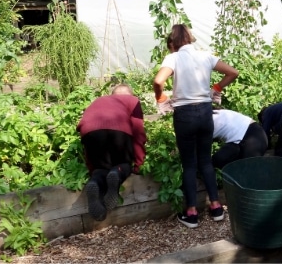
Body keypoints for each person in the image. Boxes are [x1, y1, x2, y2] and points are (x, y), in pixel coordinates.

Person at [153, 24, 239, 228]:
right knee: (206, 161)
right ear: (190, 38)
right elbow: (233, 72)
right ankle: (216, 207)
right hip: (205, 112)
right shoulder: (206, 56)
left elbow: (158, 81)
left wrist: (161, 97)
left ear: (172, 43)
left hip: (184, 115)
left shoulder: (173, 57)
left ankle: (191, 213)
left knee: (190, 164)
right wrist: (216, 88)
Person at [77, 84, 147, 221]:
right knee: (124, 163)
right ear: (131, 95)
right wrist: (138, 164)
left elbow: (86, 137)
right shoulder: (133, 101)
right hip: (118, 130)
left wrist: (92, 168)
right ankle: (117, 173)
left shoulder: (98, 101)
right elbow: (138, 132)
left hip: (89, 132)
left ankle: (95, 181)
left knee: (101, 168)